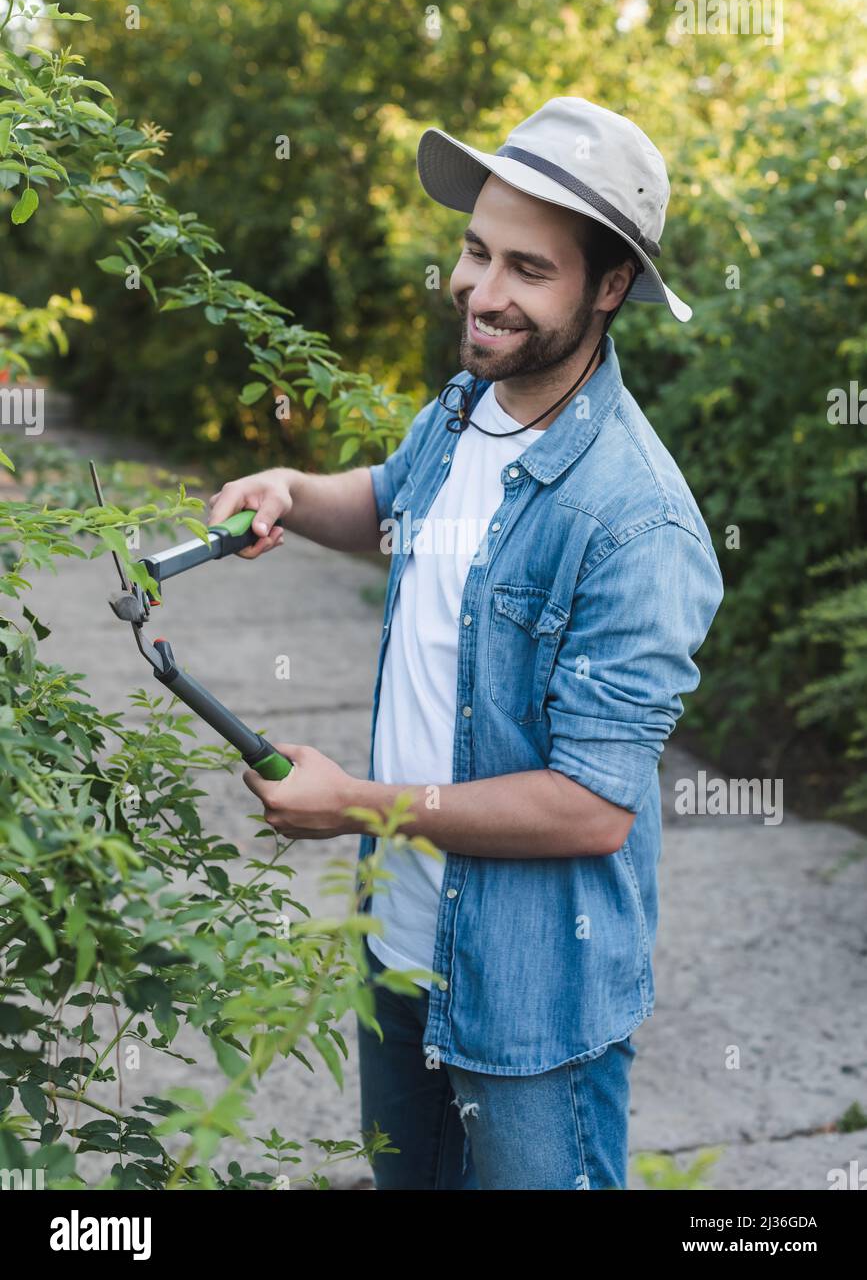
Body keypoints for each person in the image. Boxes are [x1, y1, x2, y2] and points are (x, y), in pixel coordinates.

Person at [208, 97, 725, 1190]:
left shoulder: (639, 522)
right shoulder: (463, 409)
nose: (479, 291)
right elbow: (392, 508)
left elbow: (589, 807)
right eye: (475, 250)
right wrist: (294, 494)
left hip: (531, 1002)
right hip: (399, 953)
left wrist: (352, 803)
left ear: (610, 285)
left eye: (527, 270)